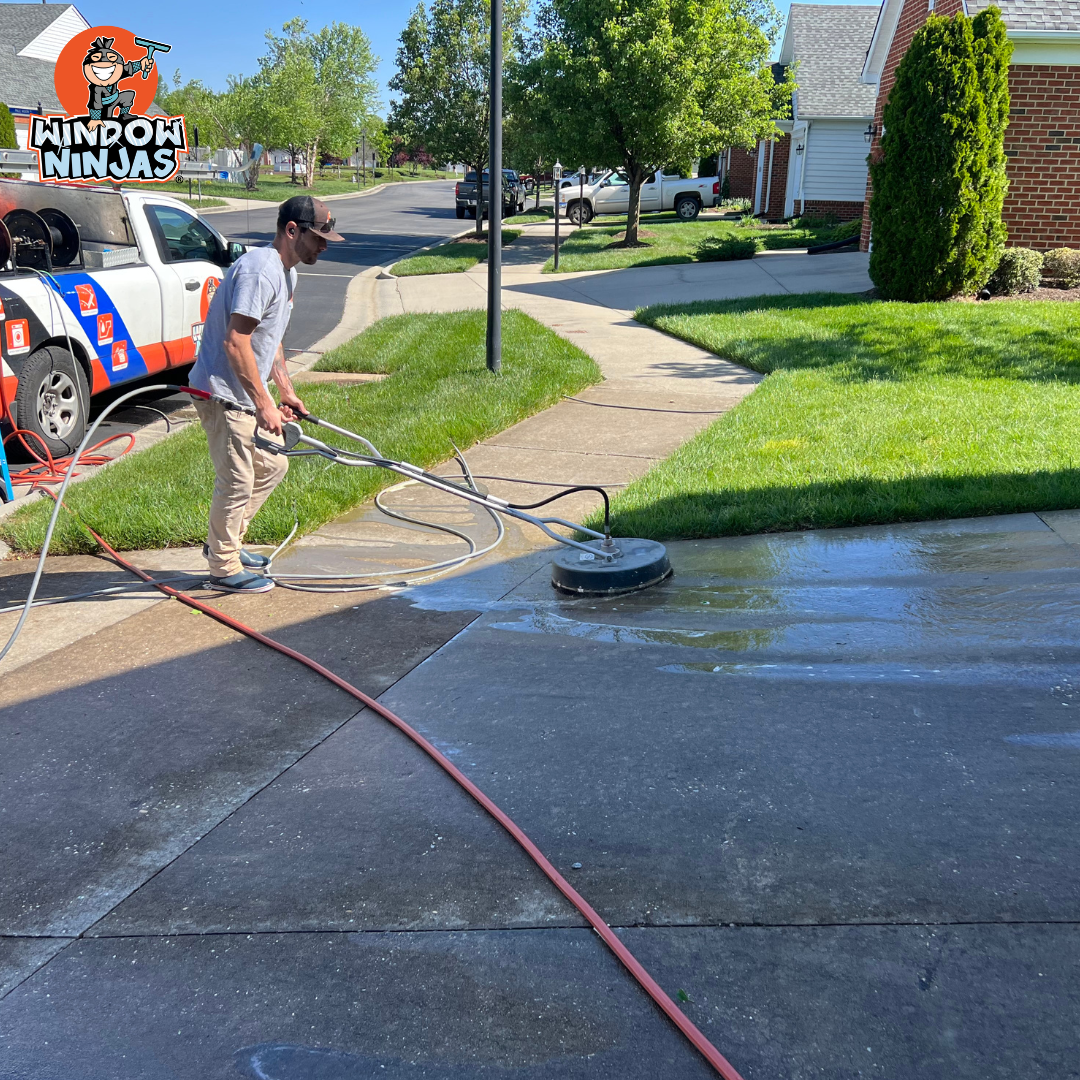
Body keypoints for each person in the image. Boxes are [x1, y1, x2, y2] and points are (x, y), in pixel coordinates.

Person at [189, 195, 344, 593]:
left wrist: (285, 391)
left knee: (273, 466)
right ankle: (222, 569)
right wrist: (263, 404)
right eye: (319, 237)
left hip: (244, 391)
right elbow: (236, 343)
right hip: (222, 392)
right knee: (238, 478)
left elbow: (268, 338)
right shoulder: (261, 271)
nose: (324, 245)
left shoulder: (287, 273)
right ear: (293, 230)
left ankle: (226, 542)